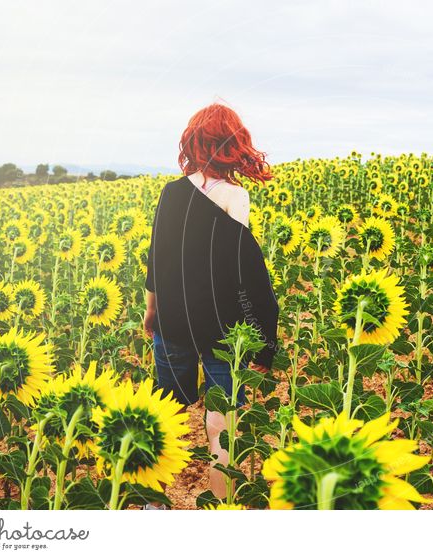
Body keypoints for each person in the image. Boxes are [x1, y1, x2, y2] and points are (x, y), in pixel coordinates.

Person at [142, 103, 279, 508]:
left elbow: (157, 259)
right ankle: (221, 509)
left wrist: (151, 311)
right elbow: (243, 269)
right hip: (222, 326)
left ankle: (153, 501)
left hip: (173, 319)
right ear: (235, 146)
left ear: (193, 142)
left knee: (165, 413)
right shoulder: (235, 197)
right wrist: (262, 335)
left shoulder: (171, 192)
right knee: (221, 420)